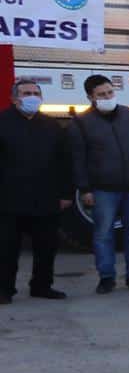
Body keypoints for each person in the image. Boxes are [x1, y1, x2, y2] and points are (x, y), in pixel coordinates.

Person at [70, 74, 129, 294]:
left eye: (110, 92)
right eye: (102, 94)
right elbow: (78, 160)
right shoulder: (81, 123)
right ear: (91, 97)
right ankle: (106, 277)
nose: (108, 97)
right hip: (103, 189)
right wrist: (85, 189)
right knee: (103, 235)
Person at [0, 79, 73, 303]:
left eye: (35, 93)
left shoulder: (52, 126)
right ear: (14, 98)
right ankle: (4, 290)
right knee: (6, 250)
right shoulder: (2, 122)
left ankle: (42, 286)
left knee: (47, 247)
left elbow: (64, 162)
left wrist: (66, 193)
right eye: (26, 92)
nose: (32, 96)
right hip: (8, 199)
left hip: (46, 198)